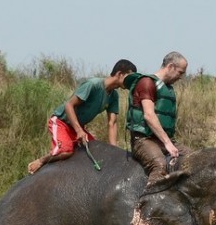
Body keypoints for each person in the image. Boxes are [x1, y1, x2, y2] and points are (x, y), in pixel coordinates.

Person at [28, 59, 137, 174]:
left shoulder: (114, 96)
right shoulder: (93, 85)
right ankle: (41, 161)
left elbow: (112, 123)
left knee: (95, 150)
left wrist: (114, 149)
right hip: (61, 122)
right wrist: (79, 130)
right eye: (129, 77)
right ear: (120, 74)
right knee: (65, 151)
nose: (131, 82)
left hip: (77, 127)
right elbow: (69, 105)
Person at [124, 51, 190, 187]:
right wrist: (168, 143)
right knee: (160, 165)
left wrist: (168, 142)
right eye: (180, 72)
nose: (181, 77)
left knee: (194, 158)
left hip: (162, 140)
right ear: (170, 66)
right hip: (143, 140)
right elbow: (149, 115)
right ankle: (147, 198)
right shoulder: (146, 83)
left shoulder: (167, 88)